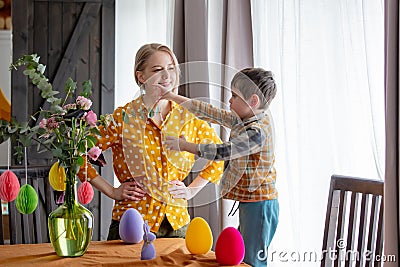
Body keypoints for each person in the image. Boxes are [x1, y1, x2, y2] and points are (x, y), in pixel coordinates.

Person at [78, 43, 224, 240]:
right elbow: (78, 155)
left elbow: (218, 154)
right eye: (157, 70)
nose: (167, 76)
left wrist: (191, 191)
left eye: (171, 68)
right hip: (132, 222)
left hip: (176, 224)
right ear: (141, 76)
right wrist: (112, 191)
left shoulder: (188, 116)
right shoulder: (123, 118)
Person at [160, 67, 279, 267]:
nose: (229, 101)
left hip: (261, 204)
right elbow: (210, 113)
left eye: (234, 96)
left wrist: (184, 145)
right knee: (244, 256)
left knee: (252, 261)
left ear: (253, 101)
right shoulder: (248, 116)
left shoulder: (257, 132)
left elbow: (222, 152)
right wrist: (171, 96)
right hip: (253, 201)